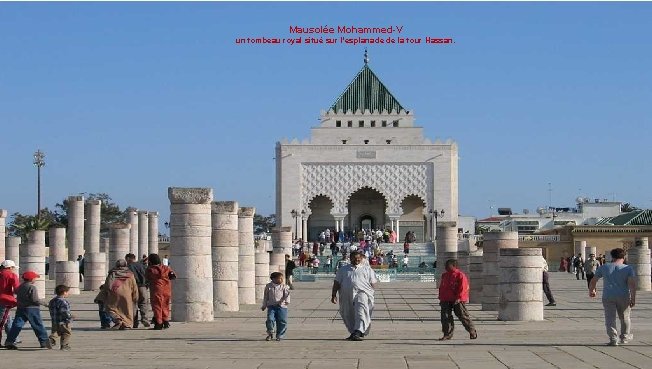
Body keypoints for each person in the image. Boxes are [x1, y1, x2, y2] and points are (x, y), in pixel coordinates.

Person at [589, 248, 636, 346]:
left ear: (612, 256)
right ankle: (624, 337)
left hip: (608, 296)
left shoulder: (604, 267)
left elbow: (593, 280)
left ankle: (613, 338)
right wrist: (633, 298)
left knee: (610, 318)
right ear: (623, 257)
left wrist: (592, 290)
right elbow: (632, 285)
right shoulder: (628, 268)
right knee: (625, 317)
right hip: (623, 296)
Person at [331, 251, 378, 341]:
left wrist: (371, 293)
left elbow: (373, 283)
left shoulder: (367, 269)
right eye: (355, 258)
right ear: (350, 258)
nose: (357, 260)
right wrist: (333, 295)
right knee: (348, 313)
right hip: (346, 294)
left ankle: (358, 330)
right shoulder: (343, 269)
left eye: (358, 258)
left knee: (361, 310)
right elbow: (337, 282)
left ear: (361, 258)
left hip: (362, 293)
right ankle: (355, 331)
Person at [4, 271, 51, 350]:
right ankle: (44, 342)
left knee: (16, 325)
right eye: (35, 278)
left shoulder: (20, 287)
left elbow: (16, 293)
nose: (35, 279)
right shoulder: (32, 287)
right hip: (32, 309)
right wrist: (46, 304)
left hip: (20, 308)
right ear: (31, 279)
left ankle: (9, 341)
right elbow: (35, 299)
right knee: (38, 325)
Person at [437, 259, 477, 340]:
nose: (446, 267)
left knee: (463, 316)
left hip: (457, 299)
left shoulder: (460, 275)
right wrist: (441, 297)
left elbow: (463, 287)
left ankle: (472, 331)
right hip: (445, 299)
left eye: (448, 265)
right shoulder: (444, 275)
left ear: (454, 266)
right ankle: (447, 333)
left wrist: (459, 298)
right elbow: (442, 287)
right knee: (445, 317)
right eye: (445, 265)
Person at [101, 259, 138, 330]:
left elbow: (108, 285)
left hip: (114, 294)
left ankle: (117, 320)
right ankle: (126, 324)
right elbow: (134, 286)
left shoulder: (112, 273)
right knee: (126, 310)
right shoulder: (130, 274)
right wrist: (135, 296)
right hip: (127, 294)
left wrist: (105, 293)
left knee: (110, 308)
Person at [146, 253, 176, 330]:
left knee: (157, 306)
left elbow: (147, 278)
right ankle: (165, 321)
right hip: (166, 289)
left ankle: (159, 323)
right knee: (165, 305)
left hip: (156, 289)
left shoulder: (150, 269)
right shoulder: (167, 268)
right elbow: (173, 276)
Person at [261, 272, 290, 341]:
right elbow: (266, 296)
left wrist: (287, 302)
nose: (281, 280)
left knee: (282, 321)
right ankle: (270, 332)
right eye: (279, 278)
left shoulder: (284, 286)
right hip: (271, 306)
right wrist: (264, 305)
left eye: (281, 278)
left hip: (282, 306)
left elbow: (287, 294)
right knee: (270, 319)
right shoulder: (268, 286)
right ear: (273, 279)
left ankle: (280, 335)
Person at [126, 253, 151, 328]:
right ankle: (145, 319)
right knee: (144, 303)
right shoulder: (142, 265)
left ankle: (134, 322)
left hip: (133, 287)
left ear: (127, 258)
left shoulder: (128, 266)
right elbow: (147, 275)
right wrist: (146, 285)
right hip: (143, 287)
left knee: (133, 304)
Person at [0, 260, 20, 346]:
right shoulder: (11, 275)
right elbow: (17, 289)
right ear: (9, 267)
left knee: (7, 319)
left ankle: (13, 338)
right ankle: (11, 340)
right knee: (2, 321)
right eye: (13, 268)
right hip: (5, 300)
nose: (13, 270)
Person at [48, 285, 72, 351]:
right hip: (64, 321)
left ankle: (51, 340)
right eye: (67, 292)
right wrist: (70, 317)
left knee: (56, 332)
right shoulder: (63, 301)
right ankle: (64, 345)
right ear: (64, 292)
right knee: (66, 333)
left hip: (54, 320)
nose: (68, 293)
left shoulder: (52, 301)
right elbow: (64, 312)